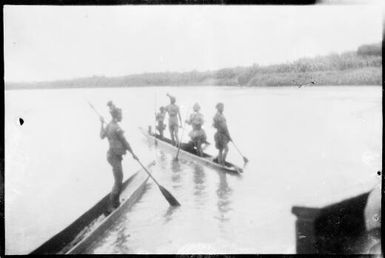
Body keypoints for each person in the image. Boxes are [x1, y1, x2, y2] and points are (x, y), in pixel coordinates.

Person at [100, 103, 138, 212]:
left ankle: (115, 203)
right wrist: (133, 153)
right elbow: (125, 142)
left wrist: (102, 124)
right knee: (118, 180)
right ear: (116, 116)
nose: (122, 117)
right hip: (114, 156)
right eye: (121, 115)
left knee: (119, 179)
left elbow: (102, 135)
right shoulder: (116, 128)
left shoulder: (109, 126)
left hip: (112, 156)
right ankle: (111, 206)